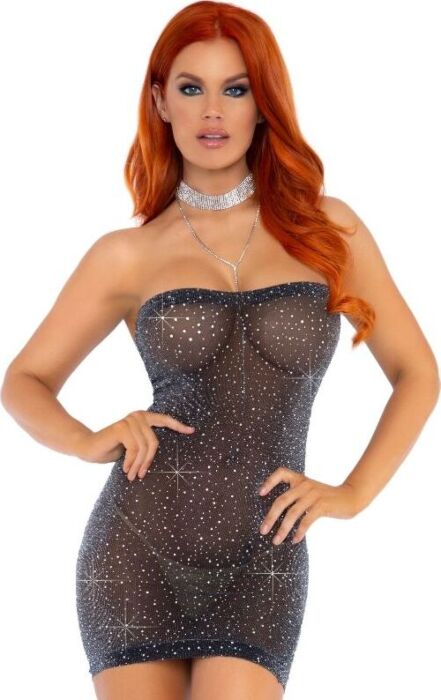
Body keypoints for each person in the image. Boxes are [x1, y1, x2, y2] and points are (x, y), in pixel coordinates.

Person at [1, 2, 439, 699]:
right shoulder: (126, 255)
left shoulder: (328, 229)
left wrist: (354, 493)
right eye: (190, 87)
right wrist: (86, 440)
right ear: (160, 101)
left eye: (235, 88)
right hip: (137, 548)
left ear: (263, 104)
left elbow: (416, 372)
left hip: (265, 550)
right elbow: (23, 379)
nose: (212, 110)